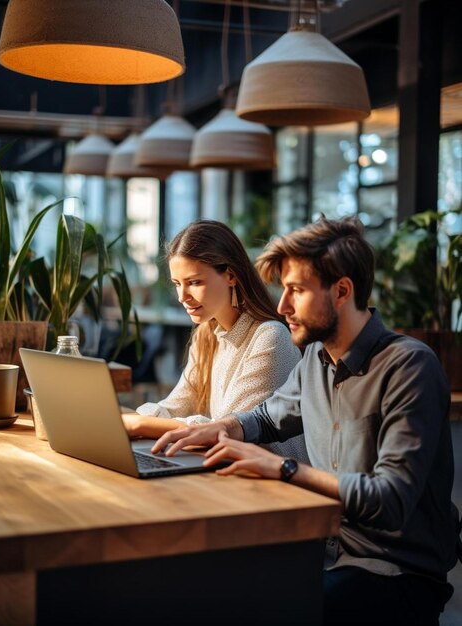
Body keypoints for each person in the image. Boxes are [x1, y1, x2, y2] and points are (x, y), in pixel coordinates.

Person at [152, 216, 461, 626]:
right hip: (323, 548)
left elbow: (389, 500)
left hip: (394, 571)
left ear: (342, 292)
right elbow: (266, 416)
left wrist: (284, 468)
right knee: (199, 590)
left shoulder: (409, 367)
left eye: (295, 291)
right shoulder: (316, 360)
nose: (281, 306)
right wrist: (223, 428)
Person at [123, 219, 307, 461]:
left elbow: (227, 429)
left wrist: (140, 425)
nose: (182, 297)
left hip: (280, 484)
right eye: (177, 284)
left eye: (194, 282)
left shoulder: (270, 336)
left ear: (230, 275)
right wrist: (133, 419)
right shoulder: (207, 335)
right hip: (230, 471)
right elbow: (176, 405)